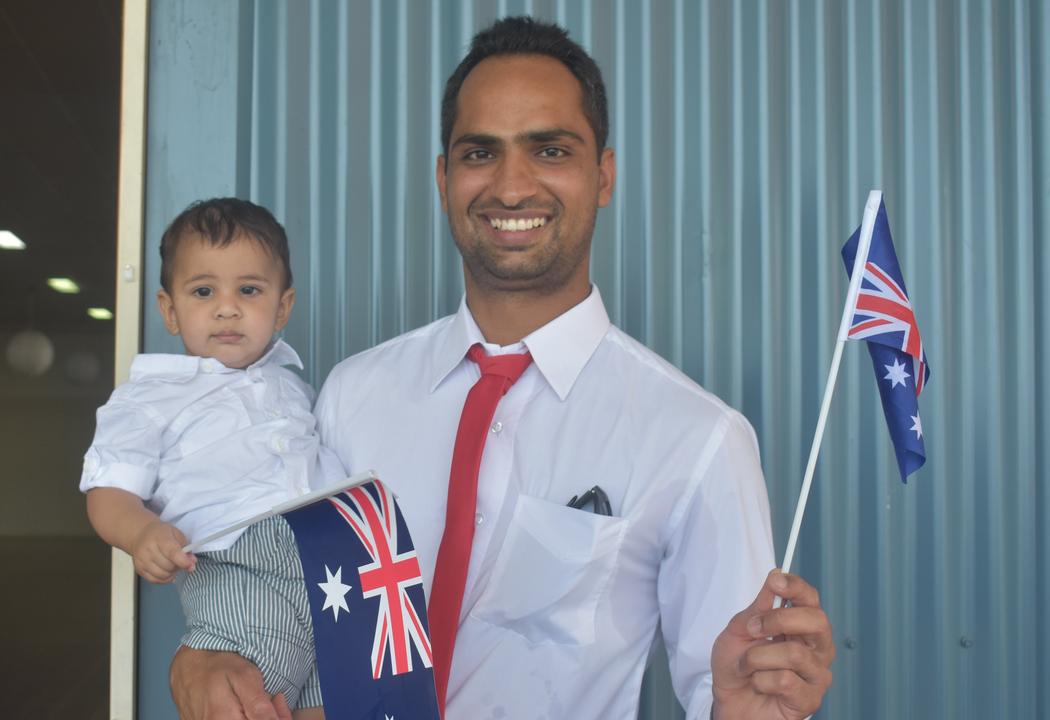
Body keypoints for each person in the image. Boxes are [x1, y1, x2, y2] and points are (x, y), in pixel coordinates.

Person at [171, 17, 835, 720]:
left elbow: (729, 693)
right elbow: (281, 592)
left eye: (550, 150)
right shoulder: (352, 395)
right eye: (480, 152)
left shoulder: (697, 436)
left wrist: (744, 706)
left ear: (603, 175)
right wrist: (206, 651)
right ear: (444, 177)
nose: (512, 187)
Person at [82, 198, 341, 720]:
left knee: (329, 699)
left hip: (324, 565)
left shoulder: (293, 386)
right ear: (170, 310)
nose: (227, 307)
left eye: (249, 290)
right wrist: (139, 533)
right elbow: (108, 490)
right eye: (204, 291)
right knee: (250, 697)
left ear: (283, 306)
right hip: (235, 563)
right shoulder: (148, 397)